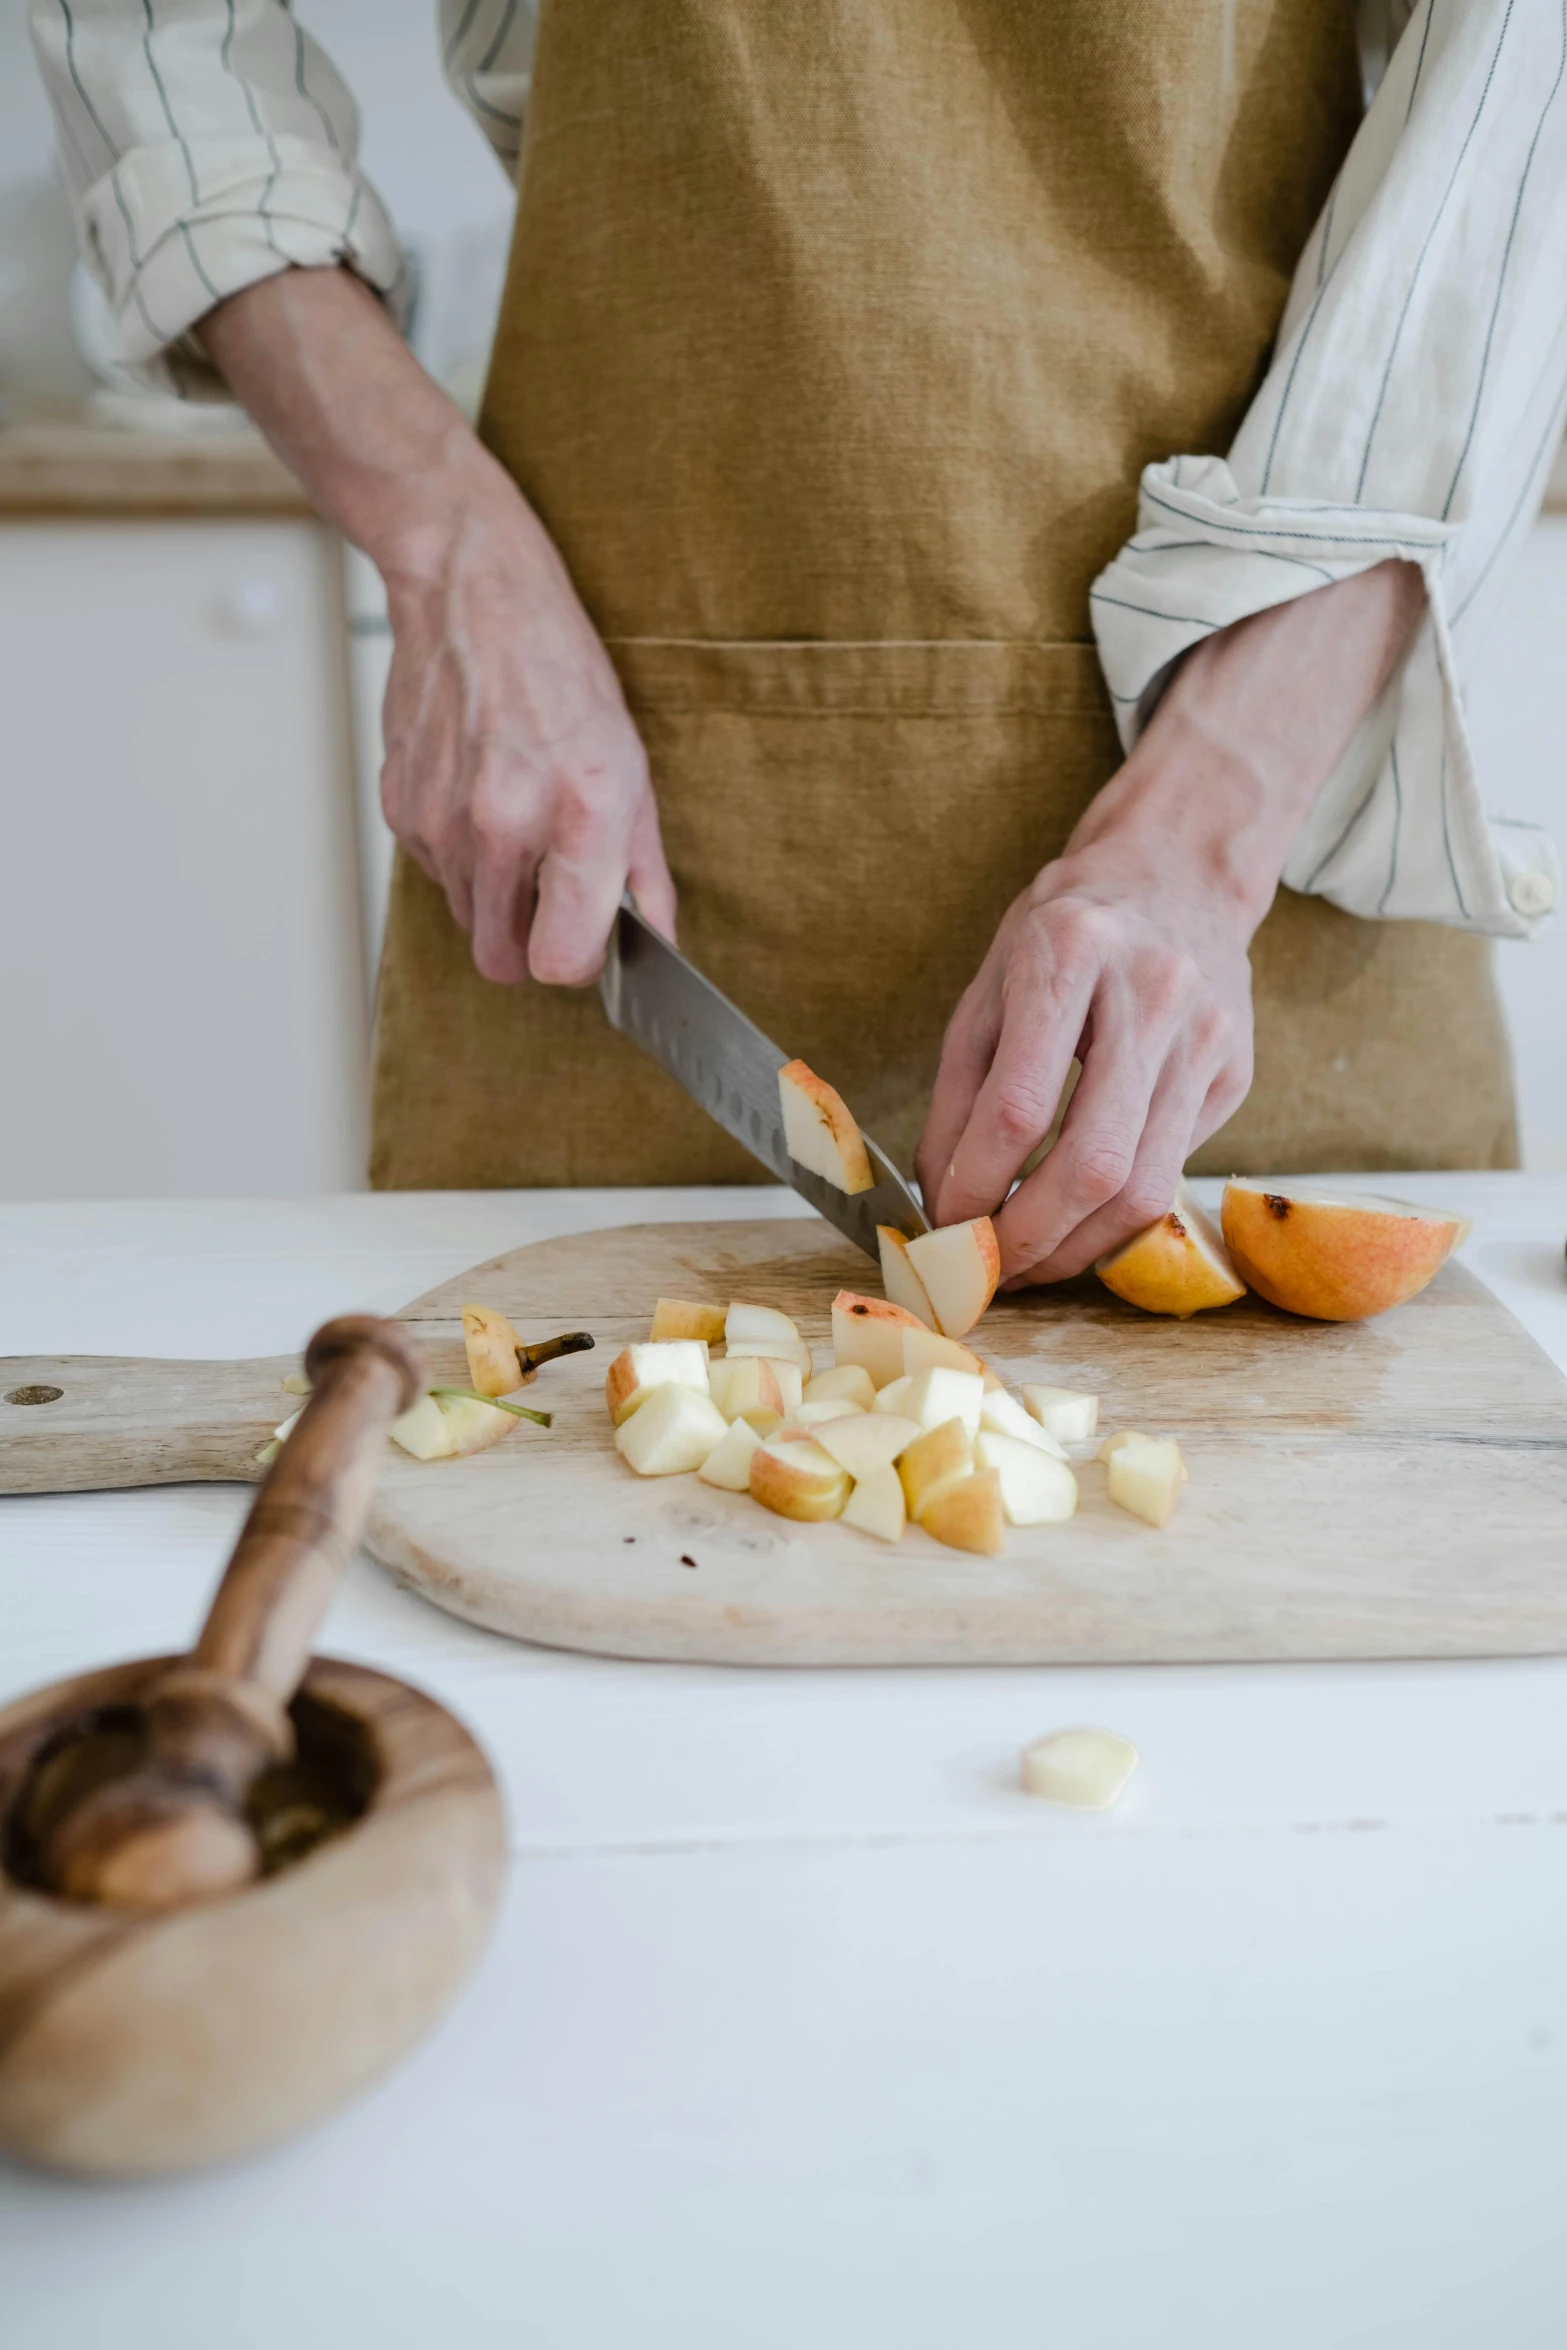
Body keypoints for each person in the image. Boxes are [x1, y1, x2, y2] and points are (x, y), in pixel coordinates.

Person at [33, 1, 1562, 1286]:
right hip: (618, 837)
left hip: (1277, 831)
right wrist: (442, 539)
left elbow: (1520, 122)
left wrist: (1211, 823)